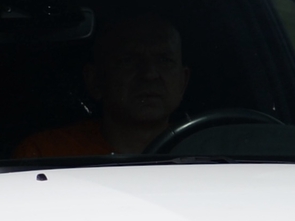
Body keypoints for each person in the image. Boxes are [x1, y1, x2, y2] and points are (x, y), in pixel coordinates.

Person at [15, 15, 189, 158]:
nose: (149, 74)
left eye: (164, 61)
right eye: (129, 61)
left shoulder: (205, 148)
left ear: (183, 81)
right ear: (95, 80)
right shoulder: (47, 154)